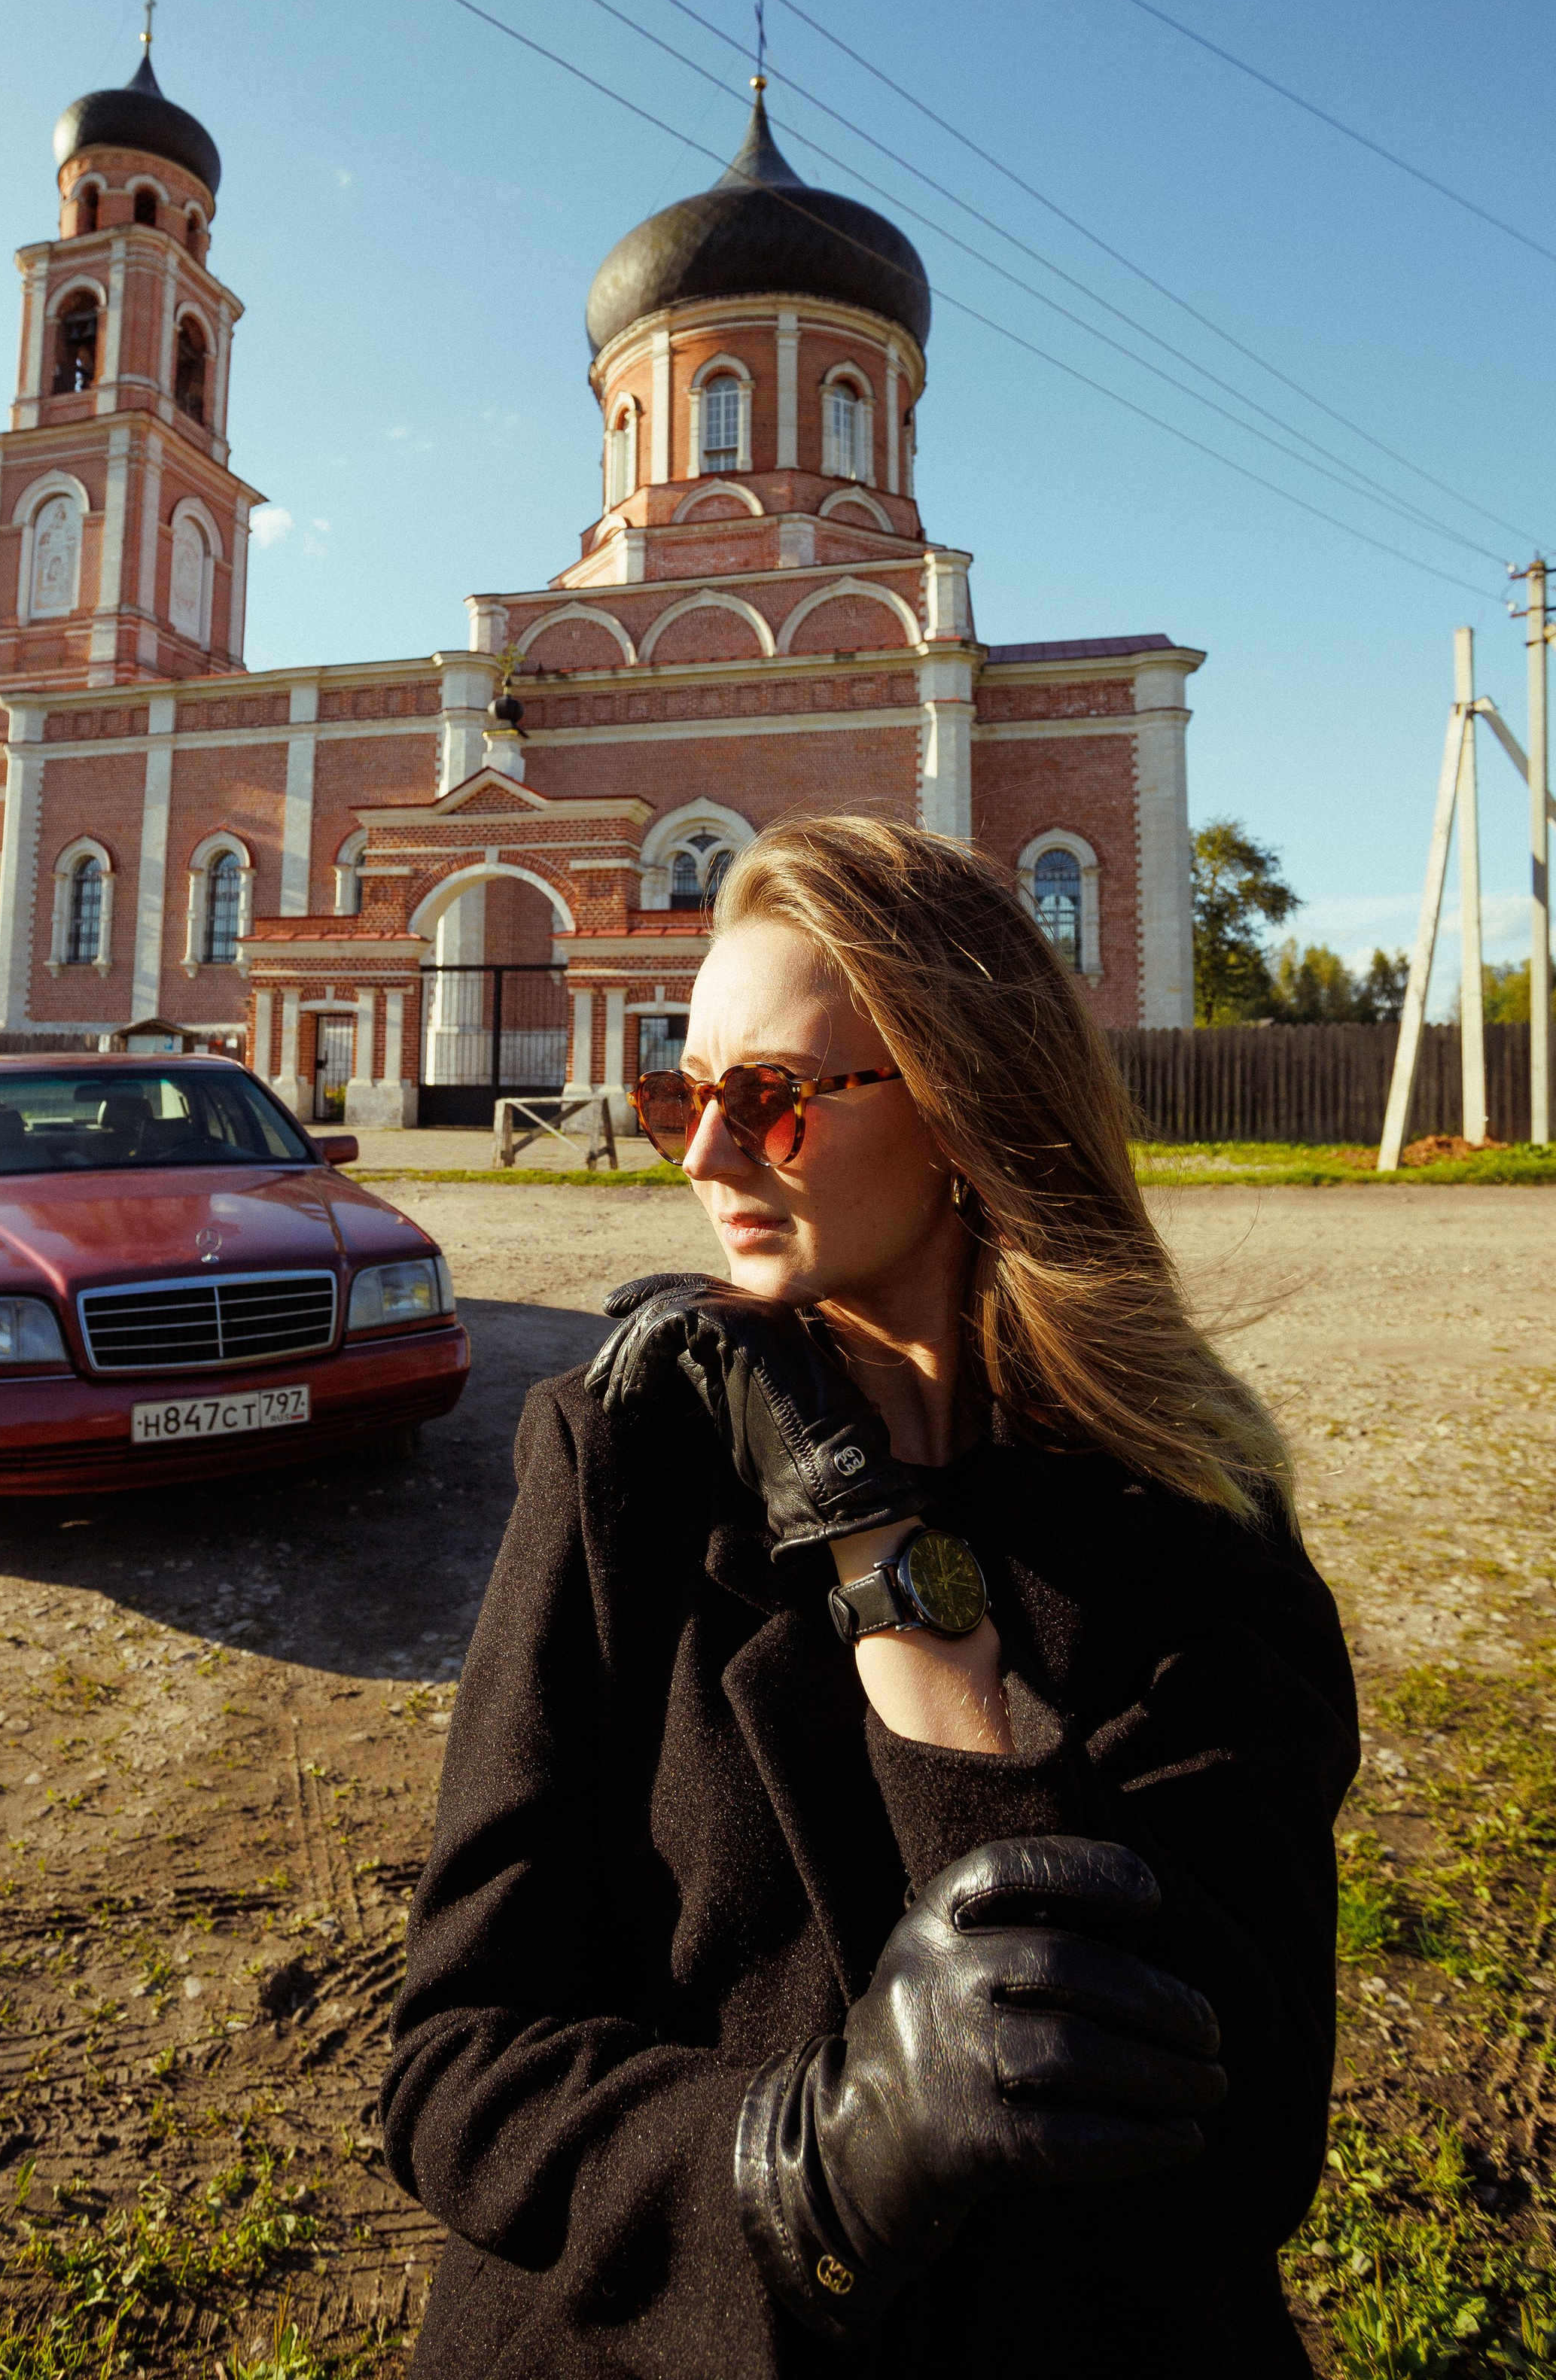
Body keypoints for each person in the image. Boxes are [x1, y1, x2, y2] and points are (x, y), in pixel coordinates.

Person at [383, 815, 1357, 2376]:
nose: (699, 1159)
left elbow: (1221, 2144)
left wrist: (867, 1542)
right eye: (675, 1094)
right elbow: (454, 2061)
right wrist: (796, 2173)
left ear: (967, 1107)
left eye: (767, 1102)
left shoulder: (1186, 1515)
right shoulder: (625, 1456)